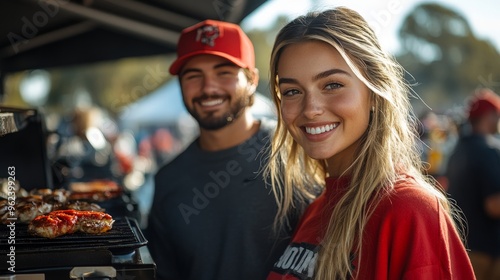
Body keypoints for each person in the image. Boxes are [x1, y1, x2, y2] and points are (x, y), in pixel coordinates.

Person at [264, 7, 475, 279]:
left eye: (332, 85)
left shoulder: (411, 211)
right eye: (292, 91)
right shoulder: (318, 207)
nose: (311, 109)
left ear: (374, 92)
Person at [146, 19, 305, 280]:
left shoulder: (296, 152)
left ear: (252, 79)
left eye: (224, 72)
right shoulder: (168, 180)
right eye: (194, 76)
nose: (208, 88)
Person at [446, 88, 500, 280]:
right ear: (489, 116)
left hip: (460, 246)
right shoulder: (488, 150)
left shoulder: (458, 149)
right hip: (485, 252)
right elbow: (494, 206)